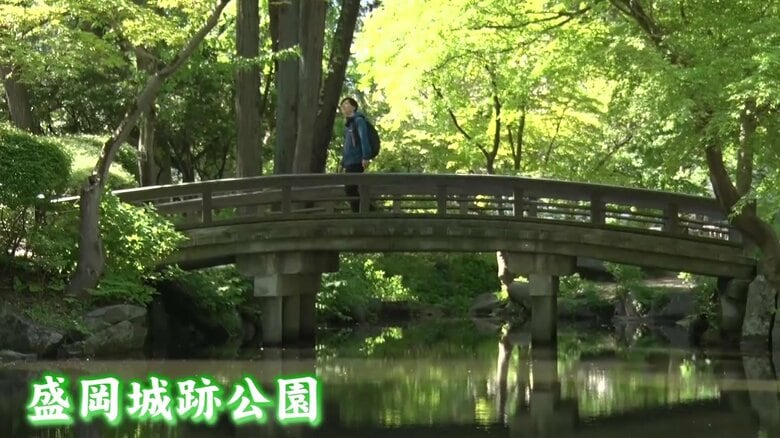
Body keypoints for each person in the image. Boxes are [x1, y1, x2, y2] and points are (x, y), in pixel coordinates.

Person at [339, 97, 373, 212]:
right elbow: (347, 146)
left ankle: (365, 212)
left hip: (357, 161)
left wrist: (366, 157)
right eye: (342, 105)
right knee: (351, 189)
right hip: (349, 163)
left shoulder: (359, 121)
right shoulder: (348, 125)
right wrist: (343, 163)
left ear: (353, 107)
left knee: (350, 189)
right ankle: (363, 212)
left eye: (346, 104)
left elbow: (364, 138)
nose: (343, 106)